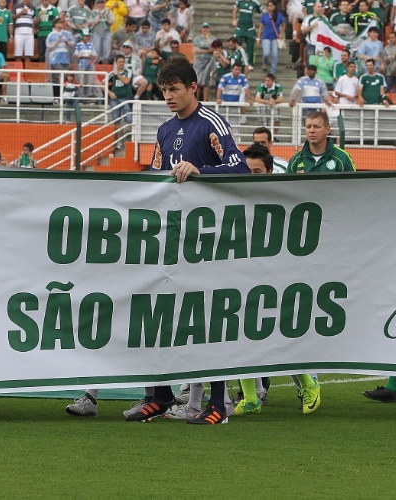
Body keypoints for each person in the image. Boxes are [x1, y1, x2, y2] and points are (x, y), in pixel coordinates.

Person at [127, 57, 250, 425]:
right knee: (160, 316)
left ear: (193, 88)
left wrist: (201, 171)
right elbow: (154, 175)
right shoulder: (165, 130)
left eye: (175, 89)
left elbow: (239, 167)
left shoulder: (211, 122)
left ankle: (217, 404)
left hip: (209, 240)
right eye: (164, 89)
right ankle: (161, 396)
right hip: (171, 238)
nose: (168, 96)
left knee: (209, 319)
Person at [286, 110, 355, 172]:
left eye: (316, 127)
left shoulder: (342, 158)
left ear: (327, 129)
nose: (312, 131)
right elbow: (287, 185)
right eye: (308, 127)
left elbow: (353, 184)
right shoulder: (296, 160)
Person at [259, 0, 285, 74]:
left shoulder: (279, 15)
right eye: (268, 6)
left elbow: (284, 25)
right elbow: (261, 27)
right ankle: (265, 63)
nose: (269, 7)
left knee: (275, 54)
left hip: (275, 37)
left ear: (275, 7)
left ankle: (273, 69)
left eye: (271, 6)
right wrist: (258, 37)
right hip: (266, 36)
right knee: (266, 53)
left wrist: (281, 33)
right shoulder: (265, 15)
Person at [233, 0, 261, 66]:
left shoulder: (255, 2)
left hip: (250, 29)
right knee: (236, 44)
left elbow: (262, 11)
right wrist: (234, 19)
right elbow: (235, 10)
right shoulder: (239, 1)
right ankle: (237, 62)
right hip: (240, 28)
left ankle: (250, 64)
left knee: (250, 47)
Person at [192, 22, 216, 100]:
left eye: (207, 28)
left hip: (209, 61)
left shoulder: (213, 38)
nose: (205, 29)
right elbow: (195, 50)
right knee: (197, 80)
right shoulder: (197, 39)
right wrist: (207, 51)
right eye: (204, 28)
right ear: (201, 29)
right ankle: (196, 99)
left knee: (206, 80)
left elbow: (213, 49)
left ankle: (205, 100)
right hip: (199, 61)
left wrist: (208, 38)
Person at [13, 0, 36, 66]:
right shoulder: (16, 7)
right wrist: (21, 13)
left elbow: (34, 20)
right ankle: (19, 72)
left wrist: (34, 28)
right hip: (18, 33)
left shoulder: (33, 8)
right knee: (18, 55)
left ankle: (27, 73)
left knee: (28, 55)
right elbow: (12, 18)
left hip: (29, 34)